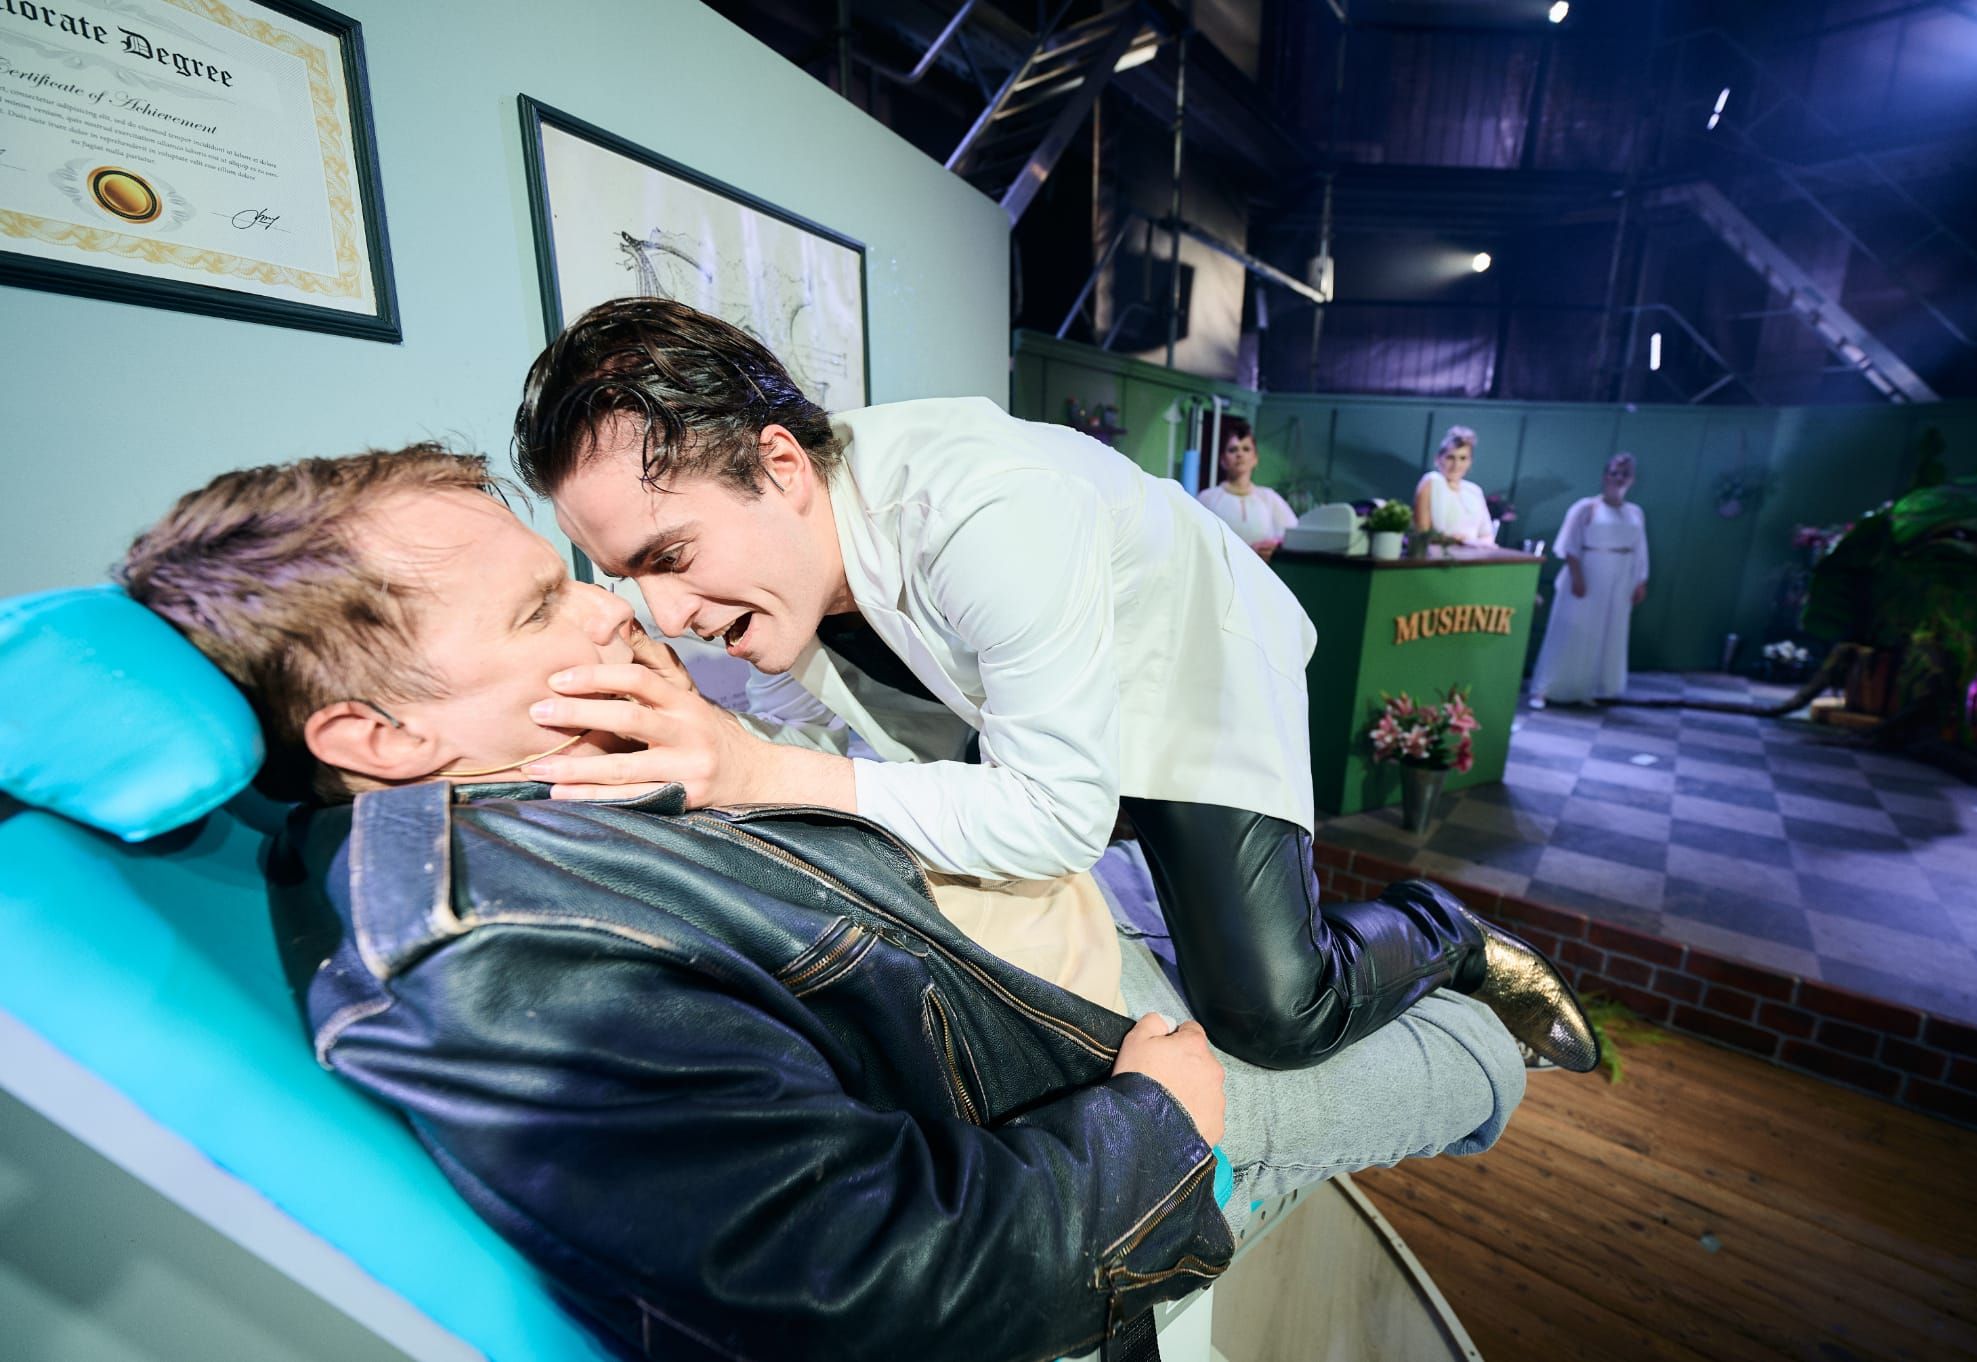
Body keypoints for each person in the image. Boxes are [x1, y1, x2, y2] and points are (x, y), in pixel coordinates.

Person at [119, 446, 1527, 1362]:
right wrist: (1157, 1126)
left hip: (1038, 1034)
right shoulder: (497, 961)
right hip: (1075, 1147)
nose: (619, 611)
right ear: (378, 737)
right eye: (544, 606)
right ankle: (1461, 985)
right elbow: (876, 1276)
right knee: (1476, 1063)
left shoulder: (544, 783)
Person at [511, 298, 1599, 1076]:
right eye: (626, 579)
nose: (668, 614)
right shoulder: (776, 579)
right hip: (1037, 697)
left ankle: (1446, 930)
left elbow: (1055, 817)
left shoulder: (987, 512)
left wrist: (755, 771)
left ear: (781, 467)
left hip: (1193, 676)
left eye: (668, 556)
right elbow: (815, 742)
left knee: (1272, 1016)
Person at [1528, 452, 1650, 708]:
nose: (1619, 478)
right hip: (1588, 573)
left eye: (1625, 474)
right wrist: (1577, 577)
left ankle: (1585, 688)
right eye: (1614, 473)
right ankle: (1546, 688)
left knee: (1604, 633)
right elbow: (1569, 545)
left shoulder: (1635, 513)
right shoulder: (1586, 508)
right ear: (1605, 476)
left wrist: (1640, 580)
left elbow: (1640, 549)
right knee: (1572, 629)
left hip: (1620, 577)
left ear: (1632, 480)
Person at [1196, 416, 1297, 560]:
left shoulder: (1269, 498)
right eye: (1233, 449)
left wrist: (1275, 545)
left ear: (1255, 458)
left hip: (1260, 571)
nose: (1240, 454)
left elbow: (1294, 534)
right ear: (1223, 460)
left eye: (1246, 449)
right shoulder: (1207, 499)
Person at [1412, 425, 1497, 548]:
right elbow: (1422, 532)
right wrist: (1451, 540)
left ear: (1470, 462)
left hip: (1473, 555)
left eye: (1463, 458)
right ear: (1438, 459)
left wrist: (1471, 543)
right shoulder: (1431, 482)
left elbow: (1487, 535)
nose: (1456, 465)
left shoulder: (1475, 491)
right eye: (1450, 457)